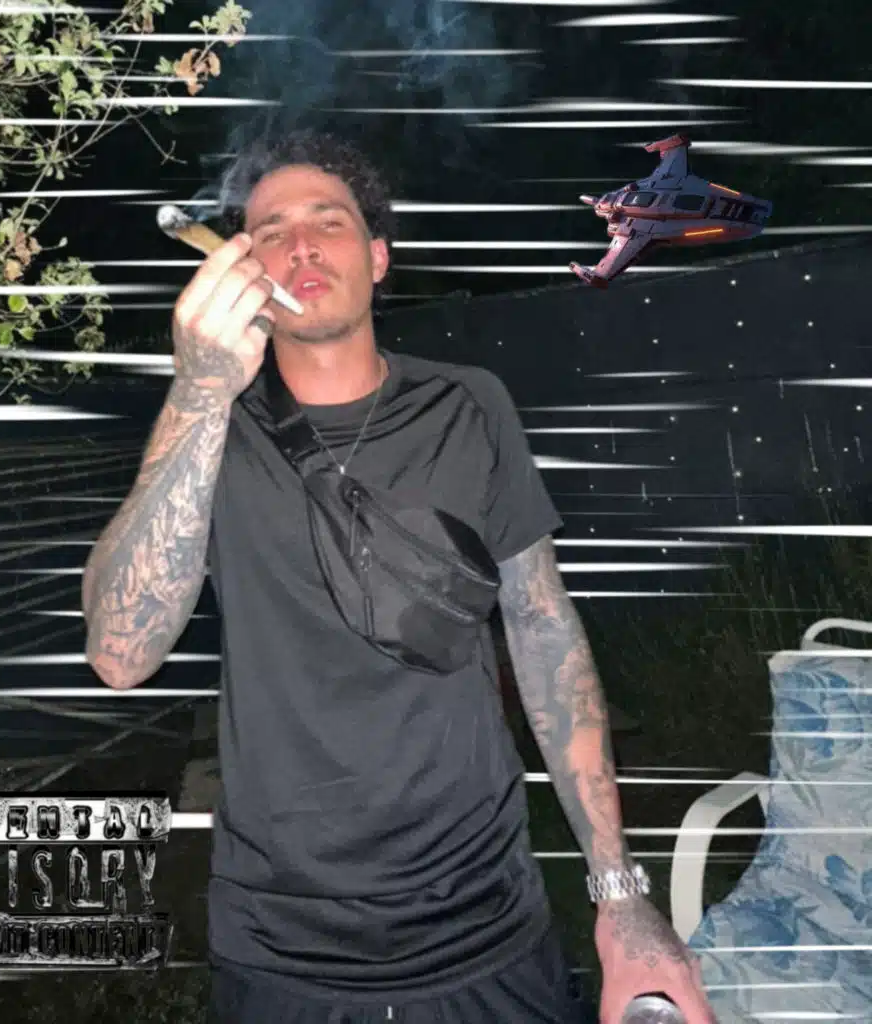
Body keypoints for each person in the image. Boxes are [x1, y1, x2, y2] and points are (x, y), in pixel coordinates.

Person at [82, 130, 717, 1024]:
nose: (301, 246)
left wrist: (619, 892)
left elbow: (544, 635)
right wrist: (197, 392)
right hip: (283, 951)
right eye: (270, 232)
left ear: (378, 258)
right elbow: (120, 654)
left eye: (328, 222)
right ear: (240, 271)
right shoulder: (208, 430)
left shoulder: (470, 404)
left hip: (488, 930)